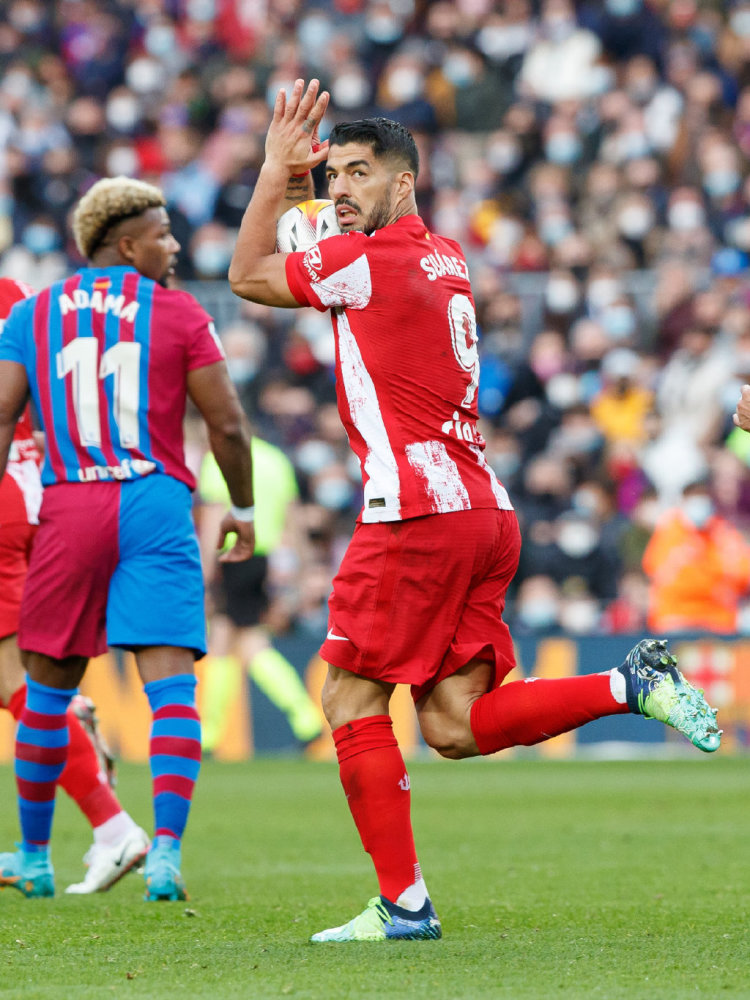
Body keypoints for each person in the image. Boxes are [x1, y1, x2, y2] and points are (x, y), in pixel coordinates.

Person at [228, 78, 721, 944]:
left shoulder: (366, 264)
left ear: (404, 182)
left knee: (348, 699)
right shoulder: (441, 255)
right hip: (483, 509)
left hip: (414, 513)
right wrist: (308, 189)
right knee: (452, 725)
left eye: (357, 173)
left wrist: (276, 168)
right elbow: (320, 248)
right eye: (333, 174)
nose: (341, 188)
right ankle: (630, 684)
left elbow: (246, 275)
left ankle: (404, 905)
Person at [0, 177, 255, 901]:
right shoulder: (177, 312)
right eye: (162, 235)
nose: (173, 246)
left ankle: (35, 857)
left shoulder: (35, 312)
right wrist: (241, 507)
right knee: (170, 688)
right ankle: (165, 854)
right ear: (126, 244)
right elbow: (227, 424)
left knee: (44, 694)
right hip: (153, 500)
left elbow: (3, 415)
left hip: (71, 502)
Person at [0, 276, 150, 895]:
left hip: (7, 499)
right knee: (16, 681)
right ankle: (55, 845)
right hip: (31, 487)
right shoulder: (17, 296)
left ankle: (112, 828)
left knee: (19, 686)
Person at [198, 434, 322, 752]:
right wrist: (304, 566)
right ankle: (305, 717)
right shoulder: (275, 459)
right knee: (249, 642)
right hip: (260, 559)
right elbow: (293, 519)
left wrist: (204, 571)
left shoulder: (218, 459)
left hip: (230, 556)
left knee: (225, 642)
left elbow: (213, 519)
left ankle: (210, 734)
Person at [642, 478, 750, 634]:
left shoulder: (722, 532)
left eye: (703, 499)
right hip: (675, 616)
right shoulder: (668, 531)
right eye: (694, 500)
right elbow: (657, 571)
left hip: (718, 617)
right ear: (683, 502)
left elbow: (743, 572)